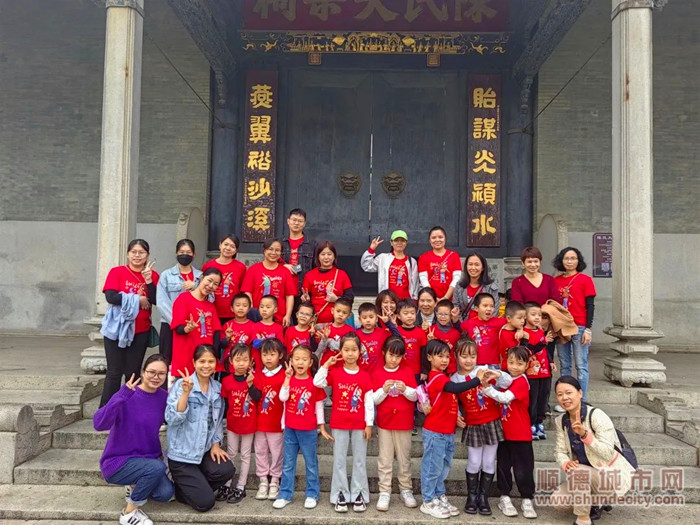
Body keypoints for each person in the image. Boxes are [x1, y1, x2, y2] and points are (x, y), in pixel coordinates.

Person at [94, 354, 173, 525]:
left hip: (147, 459)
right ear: (143, 372)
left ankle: (134, 483)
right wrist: (121, 396)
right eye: (151, 372)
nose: (156, 377)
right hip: (118, 461)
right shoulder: (128, 394)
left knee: (165, 494)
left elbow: (152, 431)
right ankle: (129, 513)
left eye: (161, 374)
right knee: (156, 468)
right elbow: (99, 424)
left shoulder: (163, 397)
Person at [552, 376, 634, 525]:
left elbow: (607, 452)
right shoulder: (561, 421)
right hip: (584, 475)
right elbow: (560, 451)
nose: (565, 397)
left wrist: (585, 435)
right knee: (558, 500)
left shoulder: (597, 416)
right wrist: (565, 463)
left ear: (580, 393)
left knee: (579, 473)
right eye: (560, 394)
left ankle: (583, 520)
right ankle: (596, 502)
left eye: (569, 392)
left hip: (609, 476)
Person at [419, 340, 487, 519]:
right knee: (432, 467)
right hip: (435, 431)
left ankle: (439, 495)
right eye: (439, 356)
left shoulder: (443, 377)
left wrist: (455, 417)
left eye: (446, 356)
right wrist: (477, 380)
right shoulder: (437, 377)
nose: (444, 360)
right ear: (429, 357)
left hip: (447, 431)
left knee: (444, 466)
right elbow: (456, 388)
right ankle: (428, 500)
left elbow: (447, 400)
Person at [165, 345, 235, 512]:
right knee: (205, 503)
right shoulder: (182, 385)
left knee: (226, 469)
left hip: (203, 452)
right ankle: (185, 491)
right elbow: (172, 419)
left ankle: (192, 487)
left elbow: (216, 422)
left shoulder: (217, 388)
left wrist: (216, 444)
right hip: (182, 455)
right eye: (202, 361)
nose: (206, 365)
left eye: (211, 361)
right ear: (194, 363)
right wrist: (185, 394)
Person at [313, 333, 374, 513]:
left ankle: (358, 494)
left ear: (360, 352)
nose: (350, 354)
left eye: (354, 350)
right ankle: (339, 493)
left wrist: (369, 424)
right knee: (339, 460)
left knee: (359, 460)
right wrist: (325, 365)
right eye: (346, 350)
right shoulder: (336, 373)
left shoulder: (364, 376)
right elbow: (317, 383)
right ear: (340, 351)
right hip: (339, 423)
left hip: (359, 424)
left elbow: (368, 402)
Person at [451, 338, 512, 516]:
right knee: (474, 461)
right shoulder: (454, 379)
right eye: (464, 356)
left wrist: (498, 374)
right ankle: (472, 496)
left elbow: (508, 383)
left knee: (488, 461)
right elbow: (450, 401)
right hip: (473, 425)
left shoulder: (484, 370)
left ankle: (483, 498)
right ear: (456, 357)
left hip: (492, 422)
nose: (469, 360)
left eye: (472, 356)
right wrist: (456, 416)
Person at [100, 239, 159, 407]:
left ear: (147, 255)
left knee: (133, 372)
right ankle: (106, 410)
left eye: (141, 252)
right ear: (128, 254)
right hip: (116, 330)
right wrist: (137, 299)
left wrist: (148, 281)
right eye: (134, 252)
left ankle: (130, 408)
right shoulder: (117, 272)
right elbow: (111, 296)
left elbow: (155, 300)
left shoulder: (153, 275)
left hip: (140, 330)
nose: (137, 256)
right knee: (114, 372)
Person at [481, 346, 537, 519]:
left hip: (521, 433)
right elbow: (504, 380)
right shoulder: (508, 379)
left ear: (527, 365)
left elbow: (504, 398)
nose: (514, 367)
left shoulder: (522, 381)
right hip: (503, 432)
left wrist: (486, 389)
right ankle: (504, 496)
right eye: (511, 362)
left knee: (524, 468)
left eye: (519, 363)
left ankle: (527, 498)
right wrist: (496, 374)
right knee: (503, 466)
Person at [273, 345, 330, 510]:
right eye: (296, 359)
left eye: (304, 359)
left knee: (311, 463)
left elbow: (319, 407)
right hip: (290, 428)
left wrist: (322, 427)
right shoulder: (289, 380)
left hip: (309, 430)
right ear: (290, 361)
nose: (300, 362)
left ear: (310, 362)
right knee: (288, 463)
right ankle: (285, 494)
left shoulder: (314, 384)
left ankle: (312, 494)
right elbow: (283, 397)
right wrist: (287, 378)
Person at [371, 336, 418, 512]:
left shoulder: (407, 372)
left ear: (403, 357)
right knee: (385, 459)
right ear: (383, 353)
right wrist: (383, 390)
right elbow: (373, 400)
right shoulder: (377, 373)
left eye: (398, 356)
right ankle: (385, 491)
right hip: (384, 422)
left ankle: (406, 489)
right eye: (391, 355)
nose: (394, 359)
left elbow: (415, 396)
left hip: (404, 422)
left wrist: (405, 389)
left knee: (404, 457)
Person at [217, 343, 260, 505]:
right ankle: (227, 484)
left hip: (249, 424)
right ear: (231, 362)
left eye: (245, 360)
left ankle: (241, 486)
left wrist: (250, 384)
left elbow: (257, 398)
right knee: (231, 454)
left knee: (245, 455)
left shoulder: (254, 379)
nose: (241, 363)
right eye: (238, 360)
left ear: (251, 362)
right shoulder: (226, 381)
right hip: (233, 424)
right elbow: (224, 404)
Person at [553, 247, 597, 401]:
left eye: (573, 258)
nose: (570, 261)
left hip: (579, 327)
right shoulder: (556, 281)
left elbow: (590, 306)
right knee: (565, 365)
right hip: (561, 329)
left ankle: (581, 400)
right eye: (566, 258)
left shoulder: (585, 280)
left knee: (581, 365)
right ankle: (566, 400)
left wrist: (588, 329)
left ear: (579, 261)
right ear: (561, 260)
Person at [156, 239, 202, 372]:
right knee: (167, 361)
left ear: (194, 254)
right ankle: (167, 391)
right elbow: (162, 302)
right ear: (176, 253)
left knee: (191, 360)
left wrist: (196, 287)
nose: (185, 255)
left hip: (193, 326)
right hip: (170, 325)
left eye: (188, 252)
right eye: (182, 252)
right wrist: (177, 323)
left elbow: (209, 299)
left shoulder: (200, 276)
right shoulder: (166, 275)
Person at [170, 268, 222, 378]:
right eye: (209, 280)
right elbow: (177, 328)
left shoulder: (210, 306)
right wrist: (186, 329)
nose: (211, 286)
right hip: (186, 360)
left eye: (215, 284)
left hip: (205, 364)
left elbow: (216, 332)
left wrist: (214, 357)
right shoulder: (183, 299)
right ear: (202, 278)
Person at [252, 338, 286, 501]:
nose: (268, 358)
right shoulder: (258, 374)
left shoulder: (284, 374)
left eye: (272, 354)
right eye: (265, 354)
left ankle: (275, 480)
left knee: (277, 452)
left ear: (280, 355)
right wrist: (250, 385)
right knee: (260, 451)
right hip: (260, 422)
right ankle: (263, 480)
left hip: (276, 423)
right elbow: (256, 396)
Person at [240, 238, 297, 327]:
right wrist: (251, 311)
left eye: (277, 250)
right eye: (270, 249)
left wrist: (288, 315)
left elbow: (289, 295)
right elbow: (248, 292)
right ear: (264, 250)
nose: (273, 253)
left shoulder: (285, 271)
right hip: (257, 316)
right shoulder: (253, 269)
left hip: (279, 317)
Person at [523, 302, 555, 441]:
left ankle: (539, 423)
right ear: (525, 316)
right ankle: (530, 424)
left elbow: (545, 350)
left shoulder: (541, 330)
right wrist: (544, 342)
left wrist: (551, 361)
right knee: (532, 399)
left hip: (545, 371)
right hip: (532, 372)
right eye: (533, 314)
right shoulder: (524, 333)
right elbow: (529, 350)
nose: (537, 318)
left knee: (543, 397)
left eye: (540, 315)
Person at [301, 241, 353, 325]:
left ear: (334, 256)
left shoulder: (342, 274)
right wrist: (306, 300)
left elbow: (350, 298)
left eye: (329, 254)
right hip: (314, 322)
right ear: (317, 256)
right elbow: (306, 300)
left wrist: (336, 299)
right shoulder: (309, 275)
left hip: (336, 323)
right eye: (322, 254)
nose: (326, 257)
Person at [202, 234, 247, 324]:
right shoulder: (208, 266)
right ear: (220, 245)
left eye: (232, 246)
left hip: (233, 314)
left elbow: (243, 291)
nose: (228, 248)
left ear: (236, 250)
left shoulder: (240, 267)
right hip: (211, 312)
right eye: (226, 244)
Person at [361, 230, 419, 299]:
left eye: (402, 240)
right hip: (387, 301)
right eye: (396, 240)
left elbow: (415, 283)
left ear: (406, 243)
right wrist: (371, 249)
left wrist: (414, 299)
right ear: (391, 243)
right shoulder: (383, 258)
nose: (399, 243)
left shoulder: (412, 261)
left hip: (405, 302)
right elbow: (366, 266)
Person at [458, 293, 506, 367]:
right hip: (474, 365)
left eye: (492, 306)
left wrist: (520, 330)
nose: (489, 309)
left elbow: (514, 322)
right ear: (476, 308)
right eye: (485, 306)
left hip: (493, 365)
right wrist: (455, 318)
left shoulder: (499, 322)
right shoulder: (469, 323)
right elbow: (457, 328)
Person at [281, 209, 317, 305]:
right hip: (283, 290)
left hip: (304, 292)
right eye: (294, 220)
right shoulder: (279, 243)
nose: (296, 223)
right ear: (288, 221)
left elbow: (316, 269)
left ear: (304, 223)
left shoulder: (312, 244)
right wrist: (283, 266)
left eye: (300, 221)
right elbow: (271, 263)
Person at [418, 226, 462, 301]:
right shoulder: (423, 257)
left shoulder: (454, 256)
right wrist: (434, 298)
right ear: (429, 240)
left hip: (451, 299)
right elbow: (423, 279)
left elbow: (457, 278)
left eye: (440, 237)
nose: (437, 240)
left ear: (445, 238)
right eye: (434, 238)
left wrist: (446, 297)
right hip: (431, 300)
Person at [453, 251, 499, 321]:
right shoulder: (460, 286)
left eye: (477, 265)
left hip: (485, 328)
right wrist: (463, 326)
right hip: (465, 327)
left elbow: (495, 310)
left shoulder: (491, 286)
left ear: (483, 267)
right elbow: (456, 307)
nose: (473, 268)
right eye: (470, 264)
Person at [355, 302, 399, 374]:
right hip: (361, 373)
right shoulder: (355, 335)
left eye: (371, 317)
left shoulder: (382, 333)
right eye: (364, 317)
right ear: (360, 319)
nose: (368, 320)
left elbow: (397, 337)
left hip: (379, 374)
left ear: (376, 319)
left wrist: (388, 323)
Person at [394, 298, 428, 382]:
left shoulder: (420, 332)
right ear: (398, 316)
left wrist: (424, 371)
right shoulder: (396, 331)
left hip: (416, 371)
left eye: (412, 313)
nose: (410, 316)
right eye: (406, 313)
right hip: (399, 370)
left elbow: (424, 353)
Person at [316, 298, 356, 366]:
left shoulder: (350, 330)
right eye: (338, 311)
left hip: (343, 365)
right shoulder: (326, 329)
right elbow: (321, 350)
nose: (340, 314)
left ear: (349, 315)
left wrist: (328, 340)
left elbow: (347, 348)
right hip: (327, 365)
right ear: (332, 310)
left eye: (344, 313)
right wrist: (324, 339)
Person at [426, 299, 461, 374]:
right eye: (440, 314)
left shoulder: (456, 333)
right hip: (435, 368)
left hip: (451, 368)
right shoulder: (431, 330)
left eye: (446, 314)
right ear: (436, 314)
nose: (443, 317)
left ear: (451, 315)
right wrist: (430, 341)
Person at [221, 293, 257, 361]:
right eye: (238, 305)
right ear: (232, 308)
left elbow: (254, 348)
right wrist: (227, 337)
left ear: (249, 309)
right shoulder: (227, 325)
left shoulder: (253, 326)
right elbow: (222, 345)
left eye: (245, 305)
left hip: (244, 363)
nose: (241, 308)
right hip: (228, 362)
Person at [497, 301, 528, 370]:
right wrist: (525, 339)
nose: (523, 321)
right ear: (508, 318)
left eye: (524, 318)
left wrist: (520, 329)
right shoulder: (505, 335)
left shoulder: (516, 328)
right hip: (510, 368)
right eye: (519, 318)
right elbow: (518, 354)